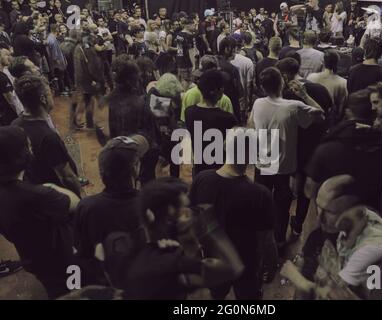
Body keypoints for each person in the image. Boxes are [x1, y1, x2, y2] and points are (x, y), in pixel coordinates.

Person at [100, 178, 244, 299]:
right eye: (184, 210)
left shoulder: (115, 243)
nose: (189, 214)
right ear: (169, 218)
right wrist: (208, 224)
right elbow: (232, 268)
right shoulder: (175, 265)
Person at [281, 175, 382, 300]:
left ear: (354, 211)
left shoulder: (379, 253)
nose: (319, 218)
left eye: (329, 212)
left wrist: (300, 281)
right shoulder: (342, 223)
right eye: (318, 207)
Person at [189, 128, 278, 299]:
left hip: (213, 260)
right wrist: (272, 265)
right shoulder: (260, 194)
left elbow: (192, 220)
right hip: (247, 264)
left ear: (225, 147)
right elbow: (266, 240)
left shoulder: (201, 179)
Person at [305, 89, 382, 225]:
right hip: (372, 217)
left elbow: (309, 190)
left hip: (333, 217)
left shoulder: (327, 148)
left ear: (348, 112)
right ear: (375, 113)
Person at [0, 126, 80, 298]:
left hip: (32, 258)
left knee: (54, 288)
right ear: (22, 155)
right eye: (28, 146)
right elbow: (74, 203)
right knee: (75, 289)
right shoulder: (40, 195)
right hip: (64, 258)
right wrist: (51, 187)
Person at [249, 67, 324, 247]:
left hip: (262, 163)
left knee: (261, 203)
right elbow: (321, 114)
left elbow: (250, 123)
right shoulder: (293, 107)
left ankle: (259, 240)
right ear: (281, 83)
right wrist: (304, 95)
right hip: (284, 167)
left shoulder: (258, 103)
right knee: (282, 207)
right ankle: (279, 241)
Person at [74, 135, 148, 283]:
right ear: (135, 169)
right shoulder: (149, 204)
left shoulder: (87, 207)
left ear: (102, 173)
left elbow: (82, 252)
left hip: (105, 282)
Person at [12, 74, 84, 197]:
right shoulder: (48, 137)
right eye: (50, 93)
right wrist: (80, 197)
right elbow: (66, 176)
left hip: (35, 188)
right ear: (43, 99)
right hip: (54, 194)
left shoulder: (15, 124)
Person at [106, 57, 159, 184]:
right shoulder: (140, 101)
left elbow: (112, 128)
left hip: (122, 145)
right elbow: (153, 127)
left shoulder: (113, 99)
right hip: (140, 144)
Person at [185, 69, 238, 176]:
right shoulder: (228, 119)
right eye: (222, 87)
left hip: (199, 169)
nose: (223, 89)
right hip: (221, 171)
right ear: (216, 91)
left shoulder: (189, 112)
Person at [307, 49, 348, 121]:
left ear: (323, 61)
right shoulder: (343, 82)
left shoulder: (311, 77)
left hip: (311, 117)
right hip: (329, 120)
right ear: (337, 63)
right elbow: (341, 108)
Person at [217, 36, 243, 122]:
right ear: (227, 49)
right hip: (230, 107)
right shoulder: (233, 69)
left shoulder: (212, 62)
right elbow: (239, 92)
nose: (235, 53)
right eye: (234, 50)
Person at [175, 17, 198, 90]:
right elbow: (190, 51)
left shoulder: (179, 34)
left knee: (182, 79)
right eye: (193, 25)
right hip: (187, 61)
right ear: (188, 25)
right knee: (188, 81)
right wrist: (194, 64)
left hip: (179, 60)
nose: (195, 26)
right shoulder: (189, 36)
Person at [47, 23, 67, 96]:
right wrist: (57, 61)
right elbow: (54, 52)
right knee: (59, 76)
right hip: (56, 61)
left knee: (58, 76)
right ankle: (61, 91)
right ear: (56, 29)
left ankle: (60, 90)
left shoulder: (50, 37)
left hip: (54, 61)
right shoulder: (53, 40)